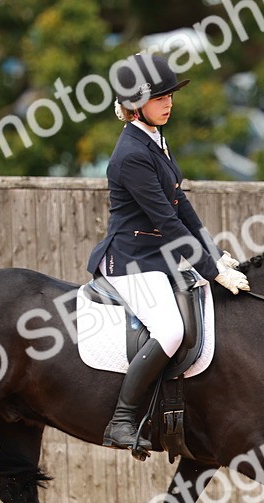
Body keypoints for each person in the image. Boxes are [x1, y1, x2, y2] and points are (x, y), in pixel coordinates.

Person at [86, 53, 250, 456]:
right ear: (135, 105)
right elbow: (168, 223)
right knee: (172, 331)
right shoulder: (132, 155)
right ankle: (123, 420)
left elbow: (183, 209)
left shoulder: (155, 141)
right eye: (159, 97)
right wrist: (211, 270)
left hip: (156, 262)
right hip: (129, 264)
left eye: (170, 94)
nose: (169, 102)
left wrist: (216, 253)